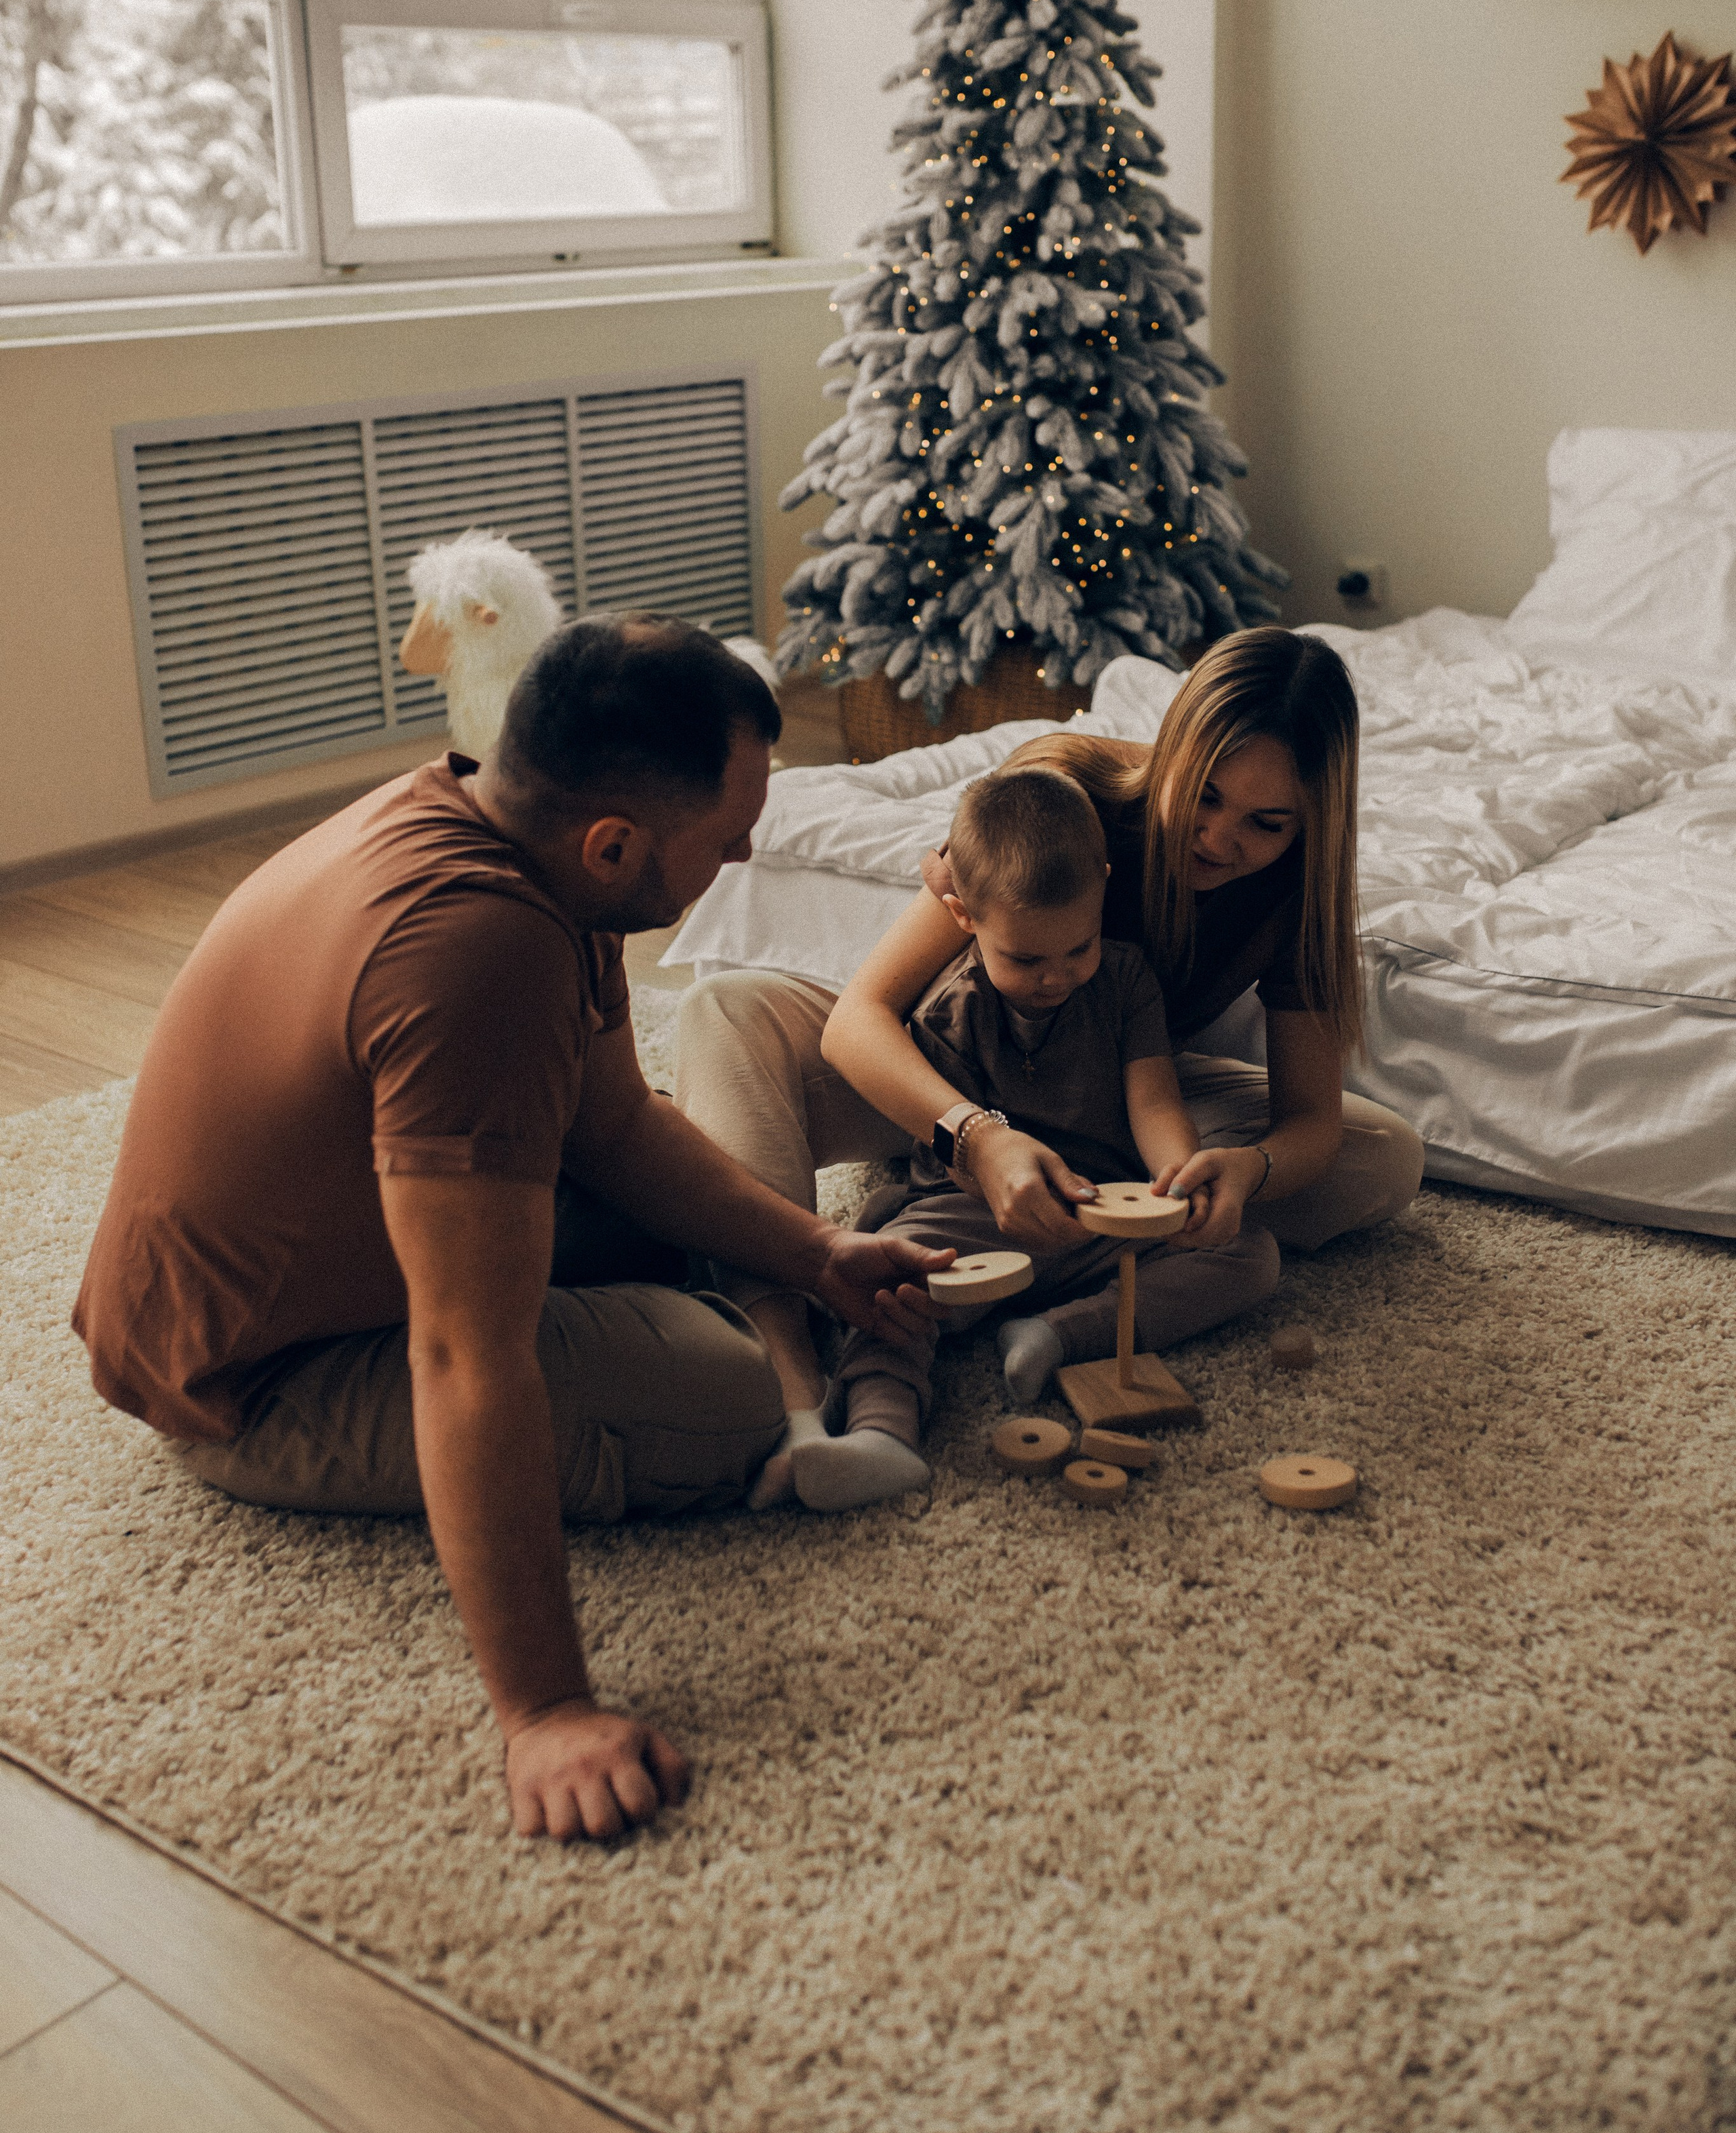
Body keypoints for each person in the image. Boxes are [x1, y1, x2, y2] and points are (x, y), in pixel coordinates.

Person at [73, 618, 951, 1848]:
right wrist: (545, 1712)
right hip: (246, 1381)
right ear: (615, 843)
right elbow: (463, 1353)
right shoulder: (483, 954)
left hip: (304, 1269)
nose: (747, 851)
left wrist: (815, 1254)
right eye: (728, 834)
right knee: (736, 1391)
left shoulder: (519, 845)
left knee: (714, 1222)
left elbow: (617, 1128)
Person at [674, 626, 1425, 1444]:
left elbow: (1309, 1120)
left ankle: (1053, 1276)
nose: (1217, 839)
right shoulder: (1061, 792)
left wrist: (1246, 1170)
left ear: (1309, 823)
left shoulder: (1297, 897)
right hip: (953, 1078)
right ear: (1172, 747)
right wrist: (976, 1137)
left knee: (1381, 1155)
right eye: (1204, 795)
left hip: (1119, 1102)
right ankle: (785, 1363)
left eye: (1266, 823)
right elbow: (862, 1017)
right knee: (727, 1011)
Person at [787, 764, 1280, 1511]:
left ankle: (1055, 1334)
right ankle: (880, 1432)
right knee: (892, 1291)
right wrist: (988, 1174)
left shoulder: (1125, 980)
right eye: (1026, 959)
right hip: (980, 1214)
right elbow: (959, 1154)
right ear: (964, 916)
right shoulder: (949, 1009)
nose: (1057, 977)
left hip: (1102, 1212)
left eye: (1078, 948)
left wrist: (1177, 1181)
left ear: (1103, 891)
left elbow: (1153, 1100)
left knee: (1248, 1254)